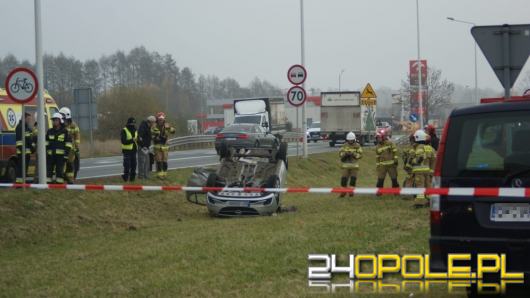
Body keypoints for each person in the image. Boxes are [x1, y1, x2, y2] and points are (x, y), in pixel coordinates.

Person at [410, 129, 436, 207]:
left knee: (420, 186)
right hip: (427, 171)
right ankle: (430, 201)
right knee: (428, 186)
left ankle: (419, 203)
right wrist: (431, 172)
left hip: (419, 171)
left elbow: (418, 159)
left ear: (417, 138)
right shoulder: (430, 148)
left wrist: (412, 161)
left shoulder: (419, 148)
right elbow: (433, 160)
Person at [46, 113, 72, 184]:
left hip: (61, 157)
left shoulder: (65, 132)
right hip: (50, 156)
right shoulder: (49, 131)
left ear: (60, 121)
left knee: (59, 171)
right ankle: (48, 185)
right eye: (53, 120)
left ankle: (59, 185)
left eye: (56, 120)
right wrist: (46, 153)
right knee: (48, 171)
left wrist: (66, 155)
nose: (54, 121)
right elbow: (46, 143)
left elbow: (68, 144)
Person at [60, 107, 81, 184]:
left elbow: (77, 137)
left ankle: (71, 179)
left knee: (72, 164)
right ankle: (62, 178)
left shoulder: (74, 126)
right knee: (61, 164)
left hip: (72, 149)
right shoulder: (61, 125)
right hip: (62, 148)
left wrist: (76, 147)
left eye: (63, 116)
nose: (62, 118)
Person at [338, 132, 363, 197]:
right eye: (349, 140)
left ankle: (351, 192)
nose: (350, 141)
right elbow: (340, 153)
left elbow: (360, 155)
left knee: (353, 180)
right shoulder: (344, 145)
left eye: (351, 140)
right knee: (343, 179)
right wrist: (345, 154)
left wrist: (353, 154)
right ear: (347, 139)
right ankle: (343, 192)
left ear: (354, 139)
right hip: (345, 166)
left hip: (354, 166)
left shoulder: (357, 146)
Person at [152, 112, 175, 179]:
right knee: (158, 161)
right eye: (159, 119)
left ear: (164, 119)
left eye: (162, 119)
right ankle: (159, 175)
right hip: (157, 146)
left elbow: (173, 131)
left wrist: (170, 128)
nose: (161, 120)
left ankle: (164, 174)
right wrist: (156, 138)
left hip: (165, 146)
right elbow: (151, 134)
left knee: (164, 161)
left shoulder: (167, 125)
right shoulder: (154, 126)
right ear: (157, 119)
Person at [15, 112, 34, 183]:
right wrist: (22, 151)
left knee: (25, 169)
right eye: (28, 119)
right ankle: (19, 183)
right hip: (22, 153)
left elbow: (29, 140)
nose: (29, 120)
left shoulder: (27, 128)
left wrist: (32, 148)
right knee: (21, 169)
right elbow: (19, 142)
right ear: (24, 118)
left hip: (27, 153)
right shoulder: (19, 127)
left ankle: (23, 182)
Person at [121, 117, 138, 182]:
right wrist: (132, 140)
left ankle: (132, 179)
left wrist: (139, 139)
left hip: (134, 150)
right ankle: (125, 178)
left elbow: (137, 138)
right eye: (131, 123)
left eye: (134, 123)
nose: (133, 125)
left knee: (134, 165)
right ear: (128, 123)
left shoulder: (135, 129)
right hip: (127, 151)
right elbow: (123, 141)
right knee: (127, 165)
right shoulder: (124, 130)